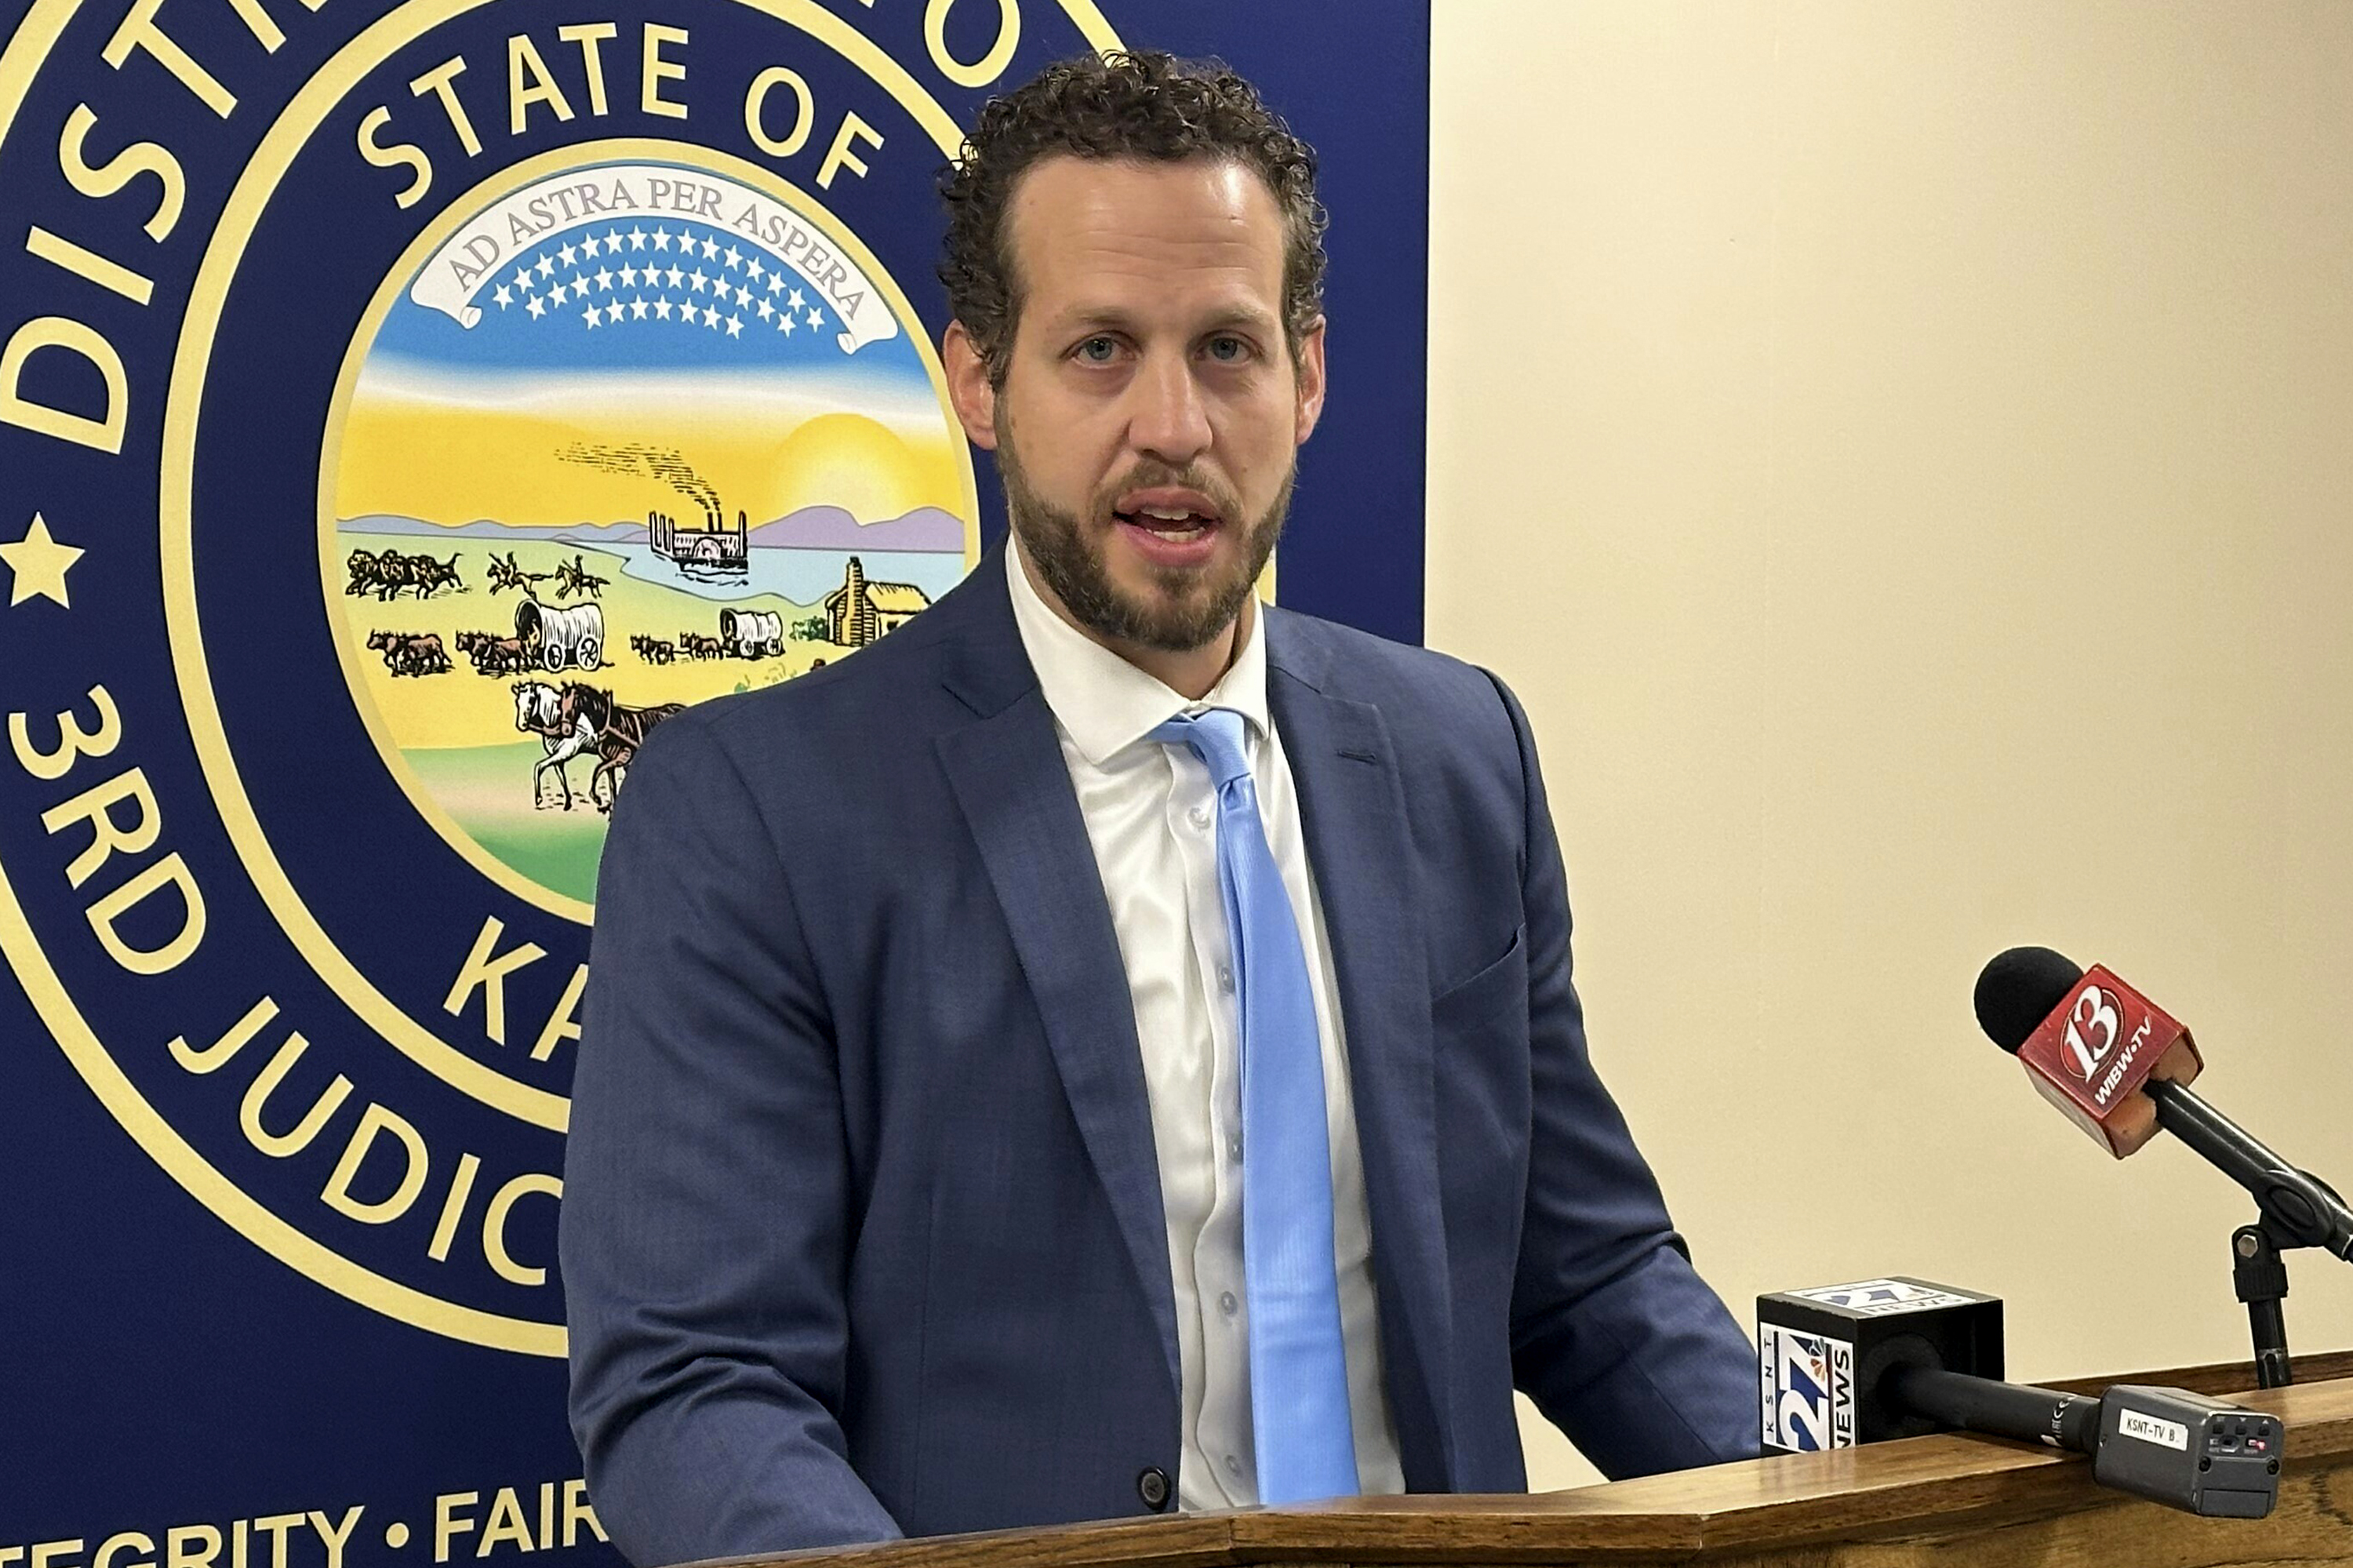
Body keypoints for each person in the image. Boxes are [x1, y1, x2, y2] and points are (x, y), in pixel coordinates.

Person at [560, 50, 1756, 1568]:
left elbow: (1586, 1280)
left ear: (1308, 378)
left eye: (1229, 350)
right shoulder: (755, 813)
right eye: (1102, 350)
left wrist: (1865, 1508)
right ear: (980, 383)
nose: (1175, 424)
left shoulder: (1462, 753)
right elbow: (695, 1391)